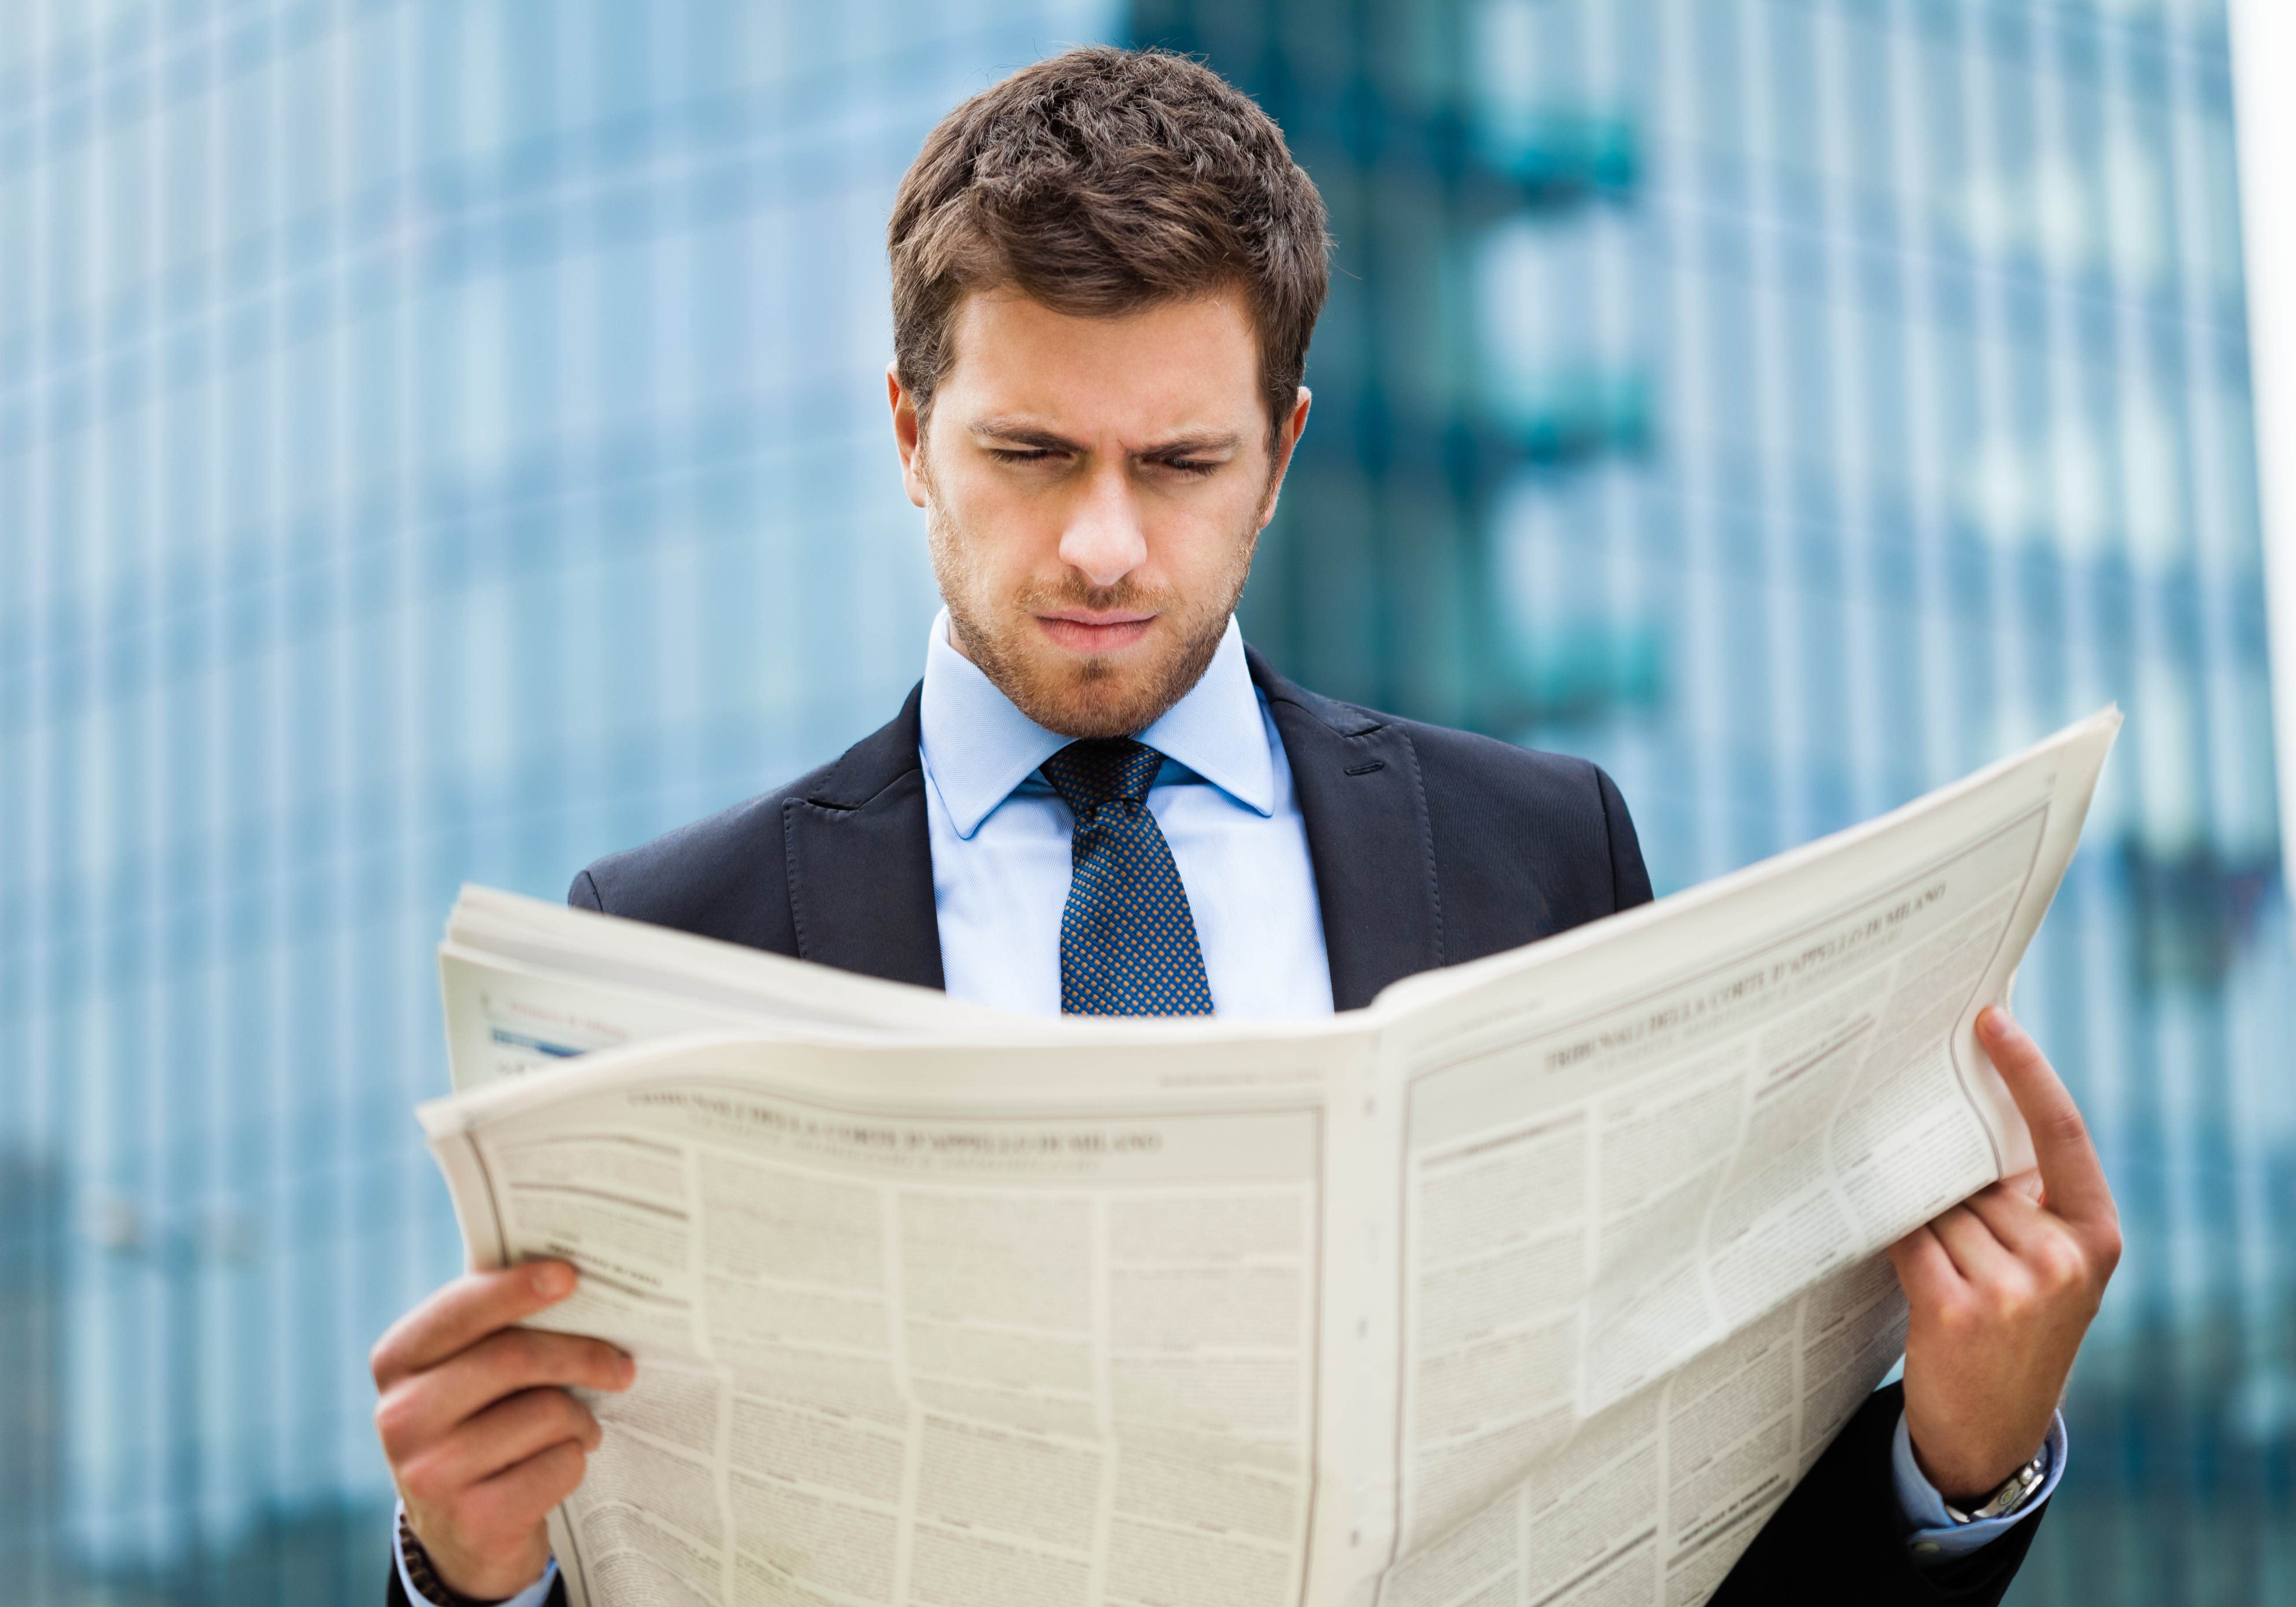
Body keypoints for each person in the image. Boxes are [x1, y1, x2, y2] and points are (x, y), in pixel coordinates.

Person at [372, 46, 2120, 1607]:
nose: (1105, 547)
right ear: (912, 434)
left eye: (1181, 464)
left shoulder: (1540, 850)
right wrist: (470, 1580)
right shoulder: (679, 932)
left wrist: (1954, 1462)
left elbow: (1693, 1544)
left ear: (1280, 458)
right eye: (1034, 454)